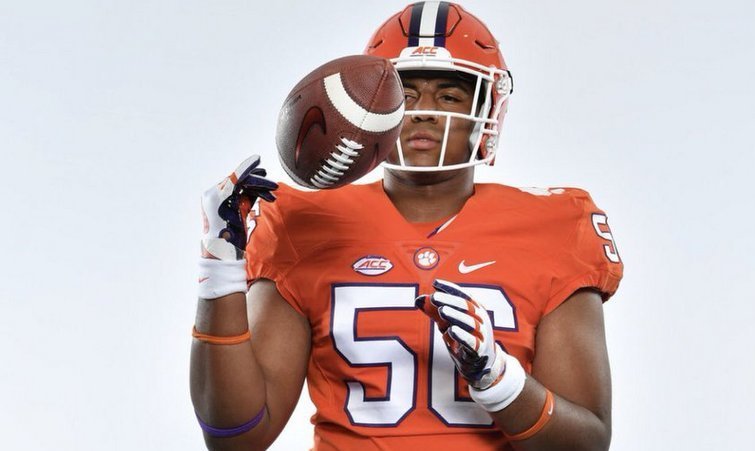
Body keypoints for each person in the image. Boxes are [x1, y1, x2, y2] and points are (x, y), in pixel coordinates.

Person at [190, 2, 624, 450]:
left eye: (449, 96)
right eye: (407, 95)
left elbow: (588, 442)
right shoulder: (303, 222)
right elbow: (236, 438)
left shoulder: (554, 226)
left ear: (488, 110)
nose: (426, 111)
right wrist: (219, 271)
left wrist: (500, 381)